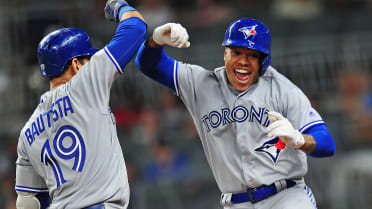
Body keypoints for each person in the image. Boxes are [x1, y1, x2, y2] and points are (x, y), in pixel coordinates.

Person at [135, 19, 336, 209]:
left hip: (286, 197)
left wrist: (300, 139)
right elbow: (149, 65)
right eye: (236, 52)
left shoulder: (283, 89)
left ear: (264, 61)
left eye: (253, 55)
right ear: (225, 53)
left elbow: (326, 143)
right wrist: (156, 41)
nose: (243, 61)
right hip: (236, 203)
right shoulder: (200, 84)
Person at [14, 0, 147, 208]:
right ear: (76, 64)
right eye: (88, 58)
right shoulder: (86, 84)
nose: (91, 62)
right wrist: (118, 5)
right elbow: (136, 28)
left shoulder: (27, 132)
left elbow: (28, 202)